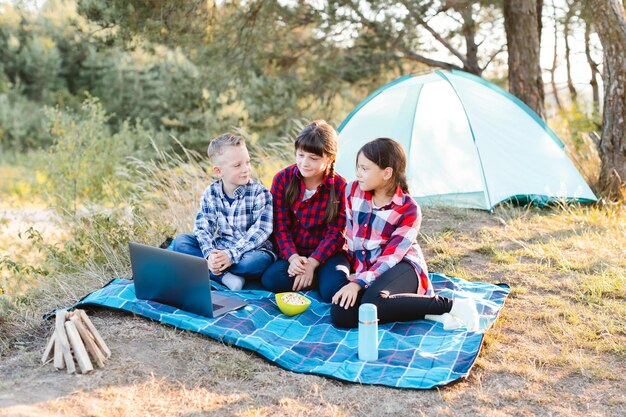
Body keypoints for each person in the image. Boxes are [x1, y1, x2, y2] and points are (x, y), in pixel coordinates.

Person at [331, 137, 479, 330]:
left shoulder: (409, 209)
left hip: (402, 265)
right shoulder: (352, 191)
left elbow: (391, 258)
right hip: (369, 268)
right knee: (342, 314)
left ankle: (453, 306)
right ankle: (429, 313)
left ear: (387, 173)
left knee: (371, 305)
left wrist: (359, 282)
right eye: (357, 167)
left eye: (364, 169)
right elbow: (352, 238)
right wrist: (356, 274)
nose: (358, 174)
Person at [171, 133, 274, 290]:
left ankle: (213, 271)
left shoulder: (260, 193)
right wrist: (210, 254)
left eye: (247, 162)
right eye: (237, 165)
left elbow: (261, 231)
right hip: (222, 248)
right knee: (180, 242)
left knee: (253, 263)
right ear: (218, 171)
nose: (246, 169)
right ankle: (225, 276)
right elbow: (203, 227)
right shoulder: (211, 193)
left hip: (251, 251)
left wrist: (231, 256)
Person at [261, 120, 349, 302]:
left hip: (327, 254)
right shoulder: (282, 179)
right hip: (294, 252)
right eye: (300, 155)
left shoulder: (340, 186)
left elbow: (336, 234)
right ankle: (313, 279)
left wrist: (313, 263)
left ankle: (320, 278)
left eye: (313, 158)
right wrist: (293, 258)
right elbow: (280, 227)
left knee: (332, 291)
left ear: (330, 158)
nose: (304, 163)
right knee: (271, 279)